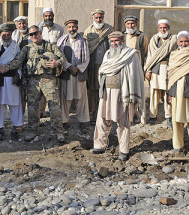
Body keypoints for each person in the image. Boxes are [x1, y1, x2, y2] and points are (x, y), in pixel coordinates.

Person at [1, 25, 66, 143]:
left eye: (36, 33)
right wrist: (6, 67)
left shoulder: (50, 46)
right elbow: (17, 61)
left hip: (48, 79)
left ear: (40, 33)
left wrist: (57, 62)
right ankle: (33, 130)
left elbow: (63, 58)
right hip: (33, 81)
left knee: (54, 106)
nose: (34, 36)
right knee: (32, 107)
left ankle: (59, 131)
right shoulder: (27, 48)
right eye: (31, 34)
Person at [90, 31, 144, 161]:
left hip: (123, 93)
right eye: (112, 41)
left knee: (123, 122)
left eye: (117, 41)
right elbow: (103, 71)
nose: (114, 44)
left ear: (122, 41)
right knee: (102, 119)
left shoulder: (131, 54)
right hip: (106, 92)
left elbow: (135, 75)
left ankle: (124, 150)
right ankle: (99, 145)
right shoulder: (108, 54)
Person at [166, 31, 189, 156]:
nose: (184, 44)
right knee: (176, 120)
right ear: (177, 43)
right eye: (181, 42)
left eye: (186, 41)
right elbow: (170, 75)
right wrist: (169, 93)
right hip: (176, 92)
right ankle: (177, 146)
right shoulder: (174, 55)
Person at [57, 20, 90, 132]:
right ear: (67, 29)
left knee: (81, 98)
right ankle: (65, 121)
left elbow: (87, 59)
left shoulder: (83, 41)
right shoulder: (62, 41)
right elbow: (59, 56)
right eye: (70, 27)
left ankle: (83, 121)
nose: (72, 29)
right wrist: (69, 67)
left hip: (79, 73)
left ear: (77, 27)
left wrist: (78, 68)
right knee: (65, 98)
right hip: (67, 72)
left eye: (74, 27)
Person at [144, 19, 177, 127]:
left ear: (168, 28)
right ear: (158, 28)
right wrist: (148, 70)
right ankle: (153, 116)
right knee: (154, 93)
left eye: (165, 28)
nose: (163, 30)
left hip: (168, 69)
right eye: (161, 28)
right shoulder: (154, 39)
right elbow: (150, 56)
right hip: (156, 70)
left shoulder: (174, 39)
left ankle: (169, 116)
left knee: (168, 94)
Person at [0, 23, 24, 141]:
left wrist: (18, 74)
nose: (6, 36)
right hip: (0, 79)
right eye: (4, 34)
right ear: (0, 35)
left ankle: (16, 127)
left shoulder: (16, 46)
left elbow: (19, 62)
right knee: (0, 105)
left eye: (9, 34)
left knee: (15, 104)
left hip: (12, 79)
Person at [83, 9, 113, 122]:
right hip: (92, 65)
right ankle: (93, 112)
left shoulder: (109, 29)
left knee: (104, 88)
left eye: (100, 17)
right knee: (92, 89)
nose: (99, 19)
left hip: (105, 65)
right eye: (97, 18)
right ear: (93, 18)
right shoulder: (88, 31)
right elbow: (86, 49)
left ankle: (104, 112)